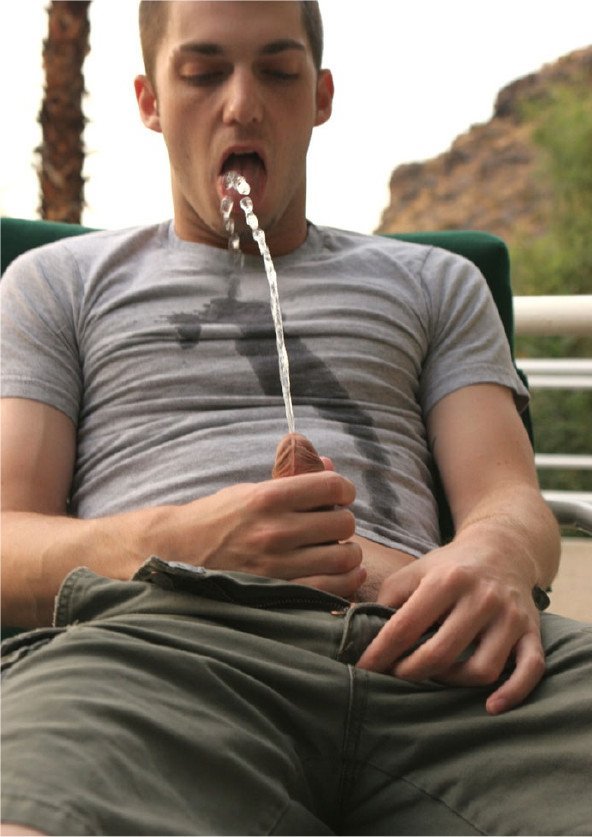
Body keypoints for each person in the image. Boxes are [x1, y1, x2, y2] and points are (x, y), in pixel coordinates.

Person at [1, 2, 590, 834]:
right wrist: (179, 543)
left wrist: (496, 555)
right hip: (157, 654)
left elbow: (508, 498)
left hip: (444, 661)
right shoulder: (55, 284)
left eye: (278, 72)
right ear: (150, 101)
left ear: (320, 96)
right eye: (203, 73)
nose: (242, 105)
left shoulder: (436, 284)